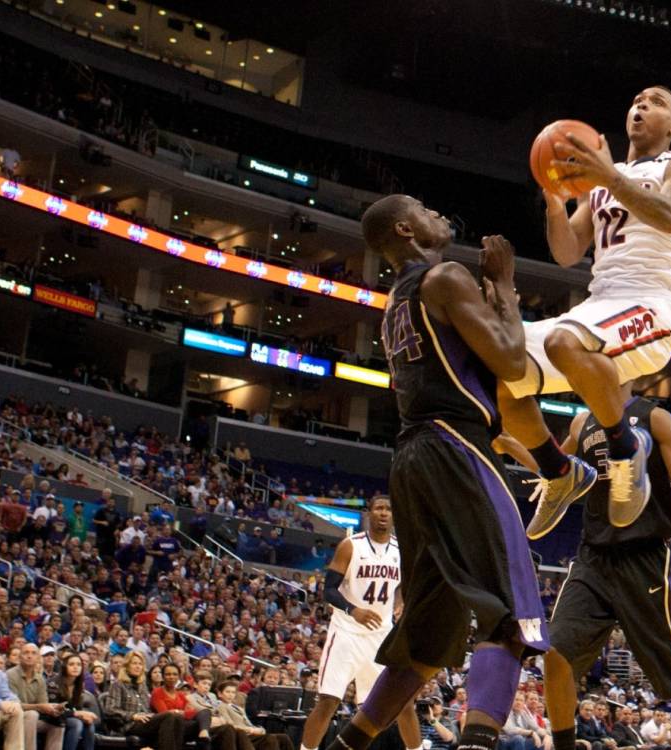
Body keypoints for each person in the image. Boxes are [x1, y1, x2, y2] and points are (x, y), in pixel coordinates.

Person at [324, 199, 546, 750]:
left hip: (411, 461)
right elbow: (514, 365)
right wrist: (507, 290)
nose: (438, 213)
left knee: (426, 642)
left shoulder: (395, 301)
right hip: (456, 448)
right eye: (424, 210)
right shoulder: (446, 277)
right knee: (509, 616)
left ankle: (345, 746)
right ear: (406, 229)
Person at [512, 86, 671, 539]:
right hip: (599, 306)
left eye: (655, 102)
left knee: (566, 341)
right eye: (636, 99)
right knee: (499, 370)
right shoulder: (603, 177)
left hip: (650, 307)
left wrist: (607, 177)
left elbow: (670, 214)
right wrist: (556, 204)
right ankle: (559, 471)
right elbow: (566, 252)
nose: (640, 105)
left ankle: (624, 449)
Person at [541, 379, 671, 750]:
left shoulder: (656, 419)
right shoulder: (581, 423)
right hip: (593, 559)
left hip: (645, 558)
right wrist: (518, 447)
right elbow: (558, 468)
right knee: (556, 656)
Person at [299, 497, 420, 750]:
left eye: (388, 508)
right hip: (346, 632)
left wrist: (400, 602)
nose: (384, 513)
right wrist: (354, 610)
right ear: (369, 513)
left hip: (381, 635)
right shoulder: (350, 546)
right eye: (378, 508)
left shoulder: (402, 550)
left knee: (402, 703)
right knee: (328, 701)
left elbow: (401, 586)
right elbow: (329, 590)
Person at [100, 652, 185, 750]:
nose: (138, 667)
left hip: (145, 722)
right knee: (170, 716)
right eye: (134, 663)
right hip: (129, 725)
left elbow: (147, 709)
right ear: (127, 666)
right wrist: (132, 716)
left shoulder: (143, 686)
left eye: (140, 664)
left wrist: (152, 715)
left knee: (177, 718)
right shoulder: (118, 685)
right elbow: (110, 710)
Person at [3, 644, 65, 750]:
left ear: (38, 658)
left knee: (58, 724)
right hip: (11, 718)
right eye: (26, 653)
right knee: (32, 715)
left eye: (33, 653)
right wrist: (39, 707)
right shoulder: (10, 675)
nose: (29, 656)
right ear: (20, 657)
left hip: (32, 720)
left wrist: (53, 709)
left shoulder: (40, 679)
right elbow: (13, 706)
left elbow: (43, 703)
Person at [209, 681, 292, 750]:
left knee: (283, 737)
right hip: (240, 735)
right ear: (220, 694)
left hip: (249, 733)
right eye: (227, 692)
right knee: (270, 738)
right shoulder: (221, 706)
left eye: (233, 692)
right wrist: (250, 730)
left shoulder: (238, 708)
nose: (230, 695)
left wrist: (259, 729)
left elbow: (249, 723)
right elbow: (229, 725)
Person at [44, 654, 97, 750]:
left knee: (89, 724)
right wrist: (78, 713)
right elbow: (54, 710)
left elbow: (77, 708)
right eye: (71, 664)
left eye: (78, 664)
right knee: (76, 723)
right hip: (51, 717)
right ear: (64, 667)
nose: (76, 667)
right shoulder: (53, 683)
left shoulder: (79, 684)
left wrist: (83, 716)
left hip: (67, 716)